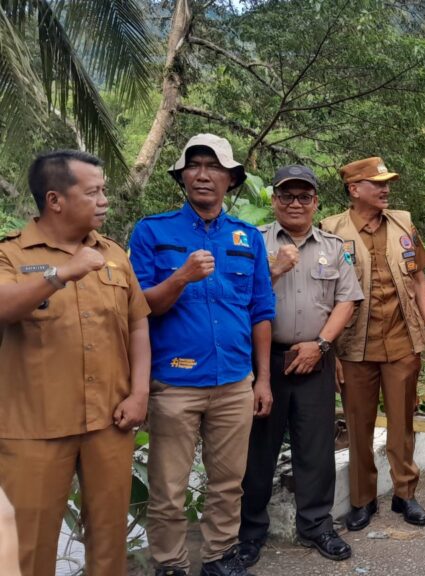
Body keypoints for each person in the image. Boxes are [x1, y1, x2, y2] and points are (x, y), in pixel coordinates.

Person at [129, 134, 275, 576]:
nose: (203, 174)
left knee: (228, 483)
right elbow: (139, 307)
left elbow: (262, 311)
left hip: (233, 381)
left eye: (214, 167)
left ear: (231, 180)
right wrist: (182, 277)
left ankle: (219, 557)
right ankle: (170, 564)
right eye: (194, 165)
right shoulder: (152, 231)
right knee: (169, 489)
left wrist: (261, 379)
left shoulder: (247, 237)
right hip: (174, 383)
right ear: (182, 176)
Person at [0, 150, 151, 576]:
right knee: (29, 546)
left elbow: (138, 324)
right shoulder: (11, 253)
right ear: (55, 200)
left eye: (103, 190)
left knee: (109, 541)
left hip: (110, 420)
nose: (104, 199)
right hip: (35, 428)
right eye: (93, 191)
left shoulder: (113, 254)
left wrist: (140, 393)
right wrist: (60, 274)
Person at [238, 165, 363, 566]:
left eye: (304, 196)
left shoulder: (334, 246)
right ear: (274, 201)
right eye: (287, 196)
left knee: (316, 448)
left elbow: (347, 300)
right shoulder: (253, 243)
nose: (295, 203)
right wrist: (274, 266)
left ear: (315, 203)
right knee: (259, 450)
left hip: (316, 359)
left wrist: (322, 344)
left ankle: (316, 526)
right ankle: (250, 532)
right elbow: (236, 296)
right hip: (266, 361)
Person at [320, 156, 425, 532]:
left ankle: (406, 494)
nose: (386, 189)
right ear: (355, 190)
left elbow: (419, 279)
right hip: (354, 347)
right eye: (378, 183)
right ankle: (362, 499)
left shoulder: (403, 223)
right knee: (358, 425)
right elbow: (324, 295)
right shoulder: (330, 230)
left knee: (403, 422)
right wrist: (330, 351)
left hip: (402, 342)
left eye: (388, 182)